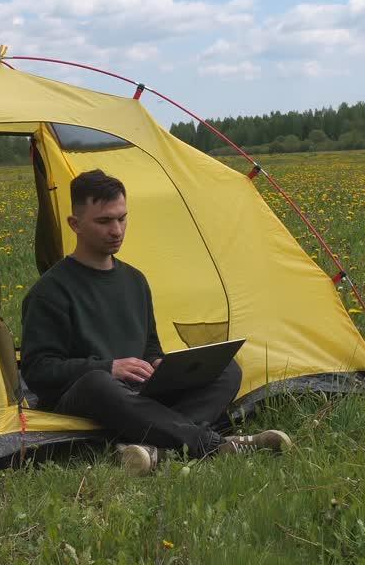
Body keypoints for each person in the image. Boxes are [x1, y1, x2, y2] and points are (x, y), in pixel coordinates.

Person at [19, 169, 291, 475]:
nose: (116, 230)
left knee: (226, 369)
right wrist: (107, 366)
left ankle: (154, 448)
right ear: (75, 224)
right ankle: (210, 444)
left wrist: (159, 363)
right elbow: (38, 371)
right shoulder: (49, 292)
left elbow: (148, 345)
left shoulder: (135, 280)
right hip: (88, 399)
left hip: (141, 394)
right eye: (104, 221)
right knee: (98, 384)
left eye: (122, 218)